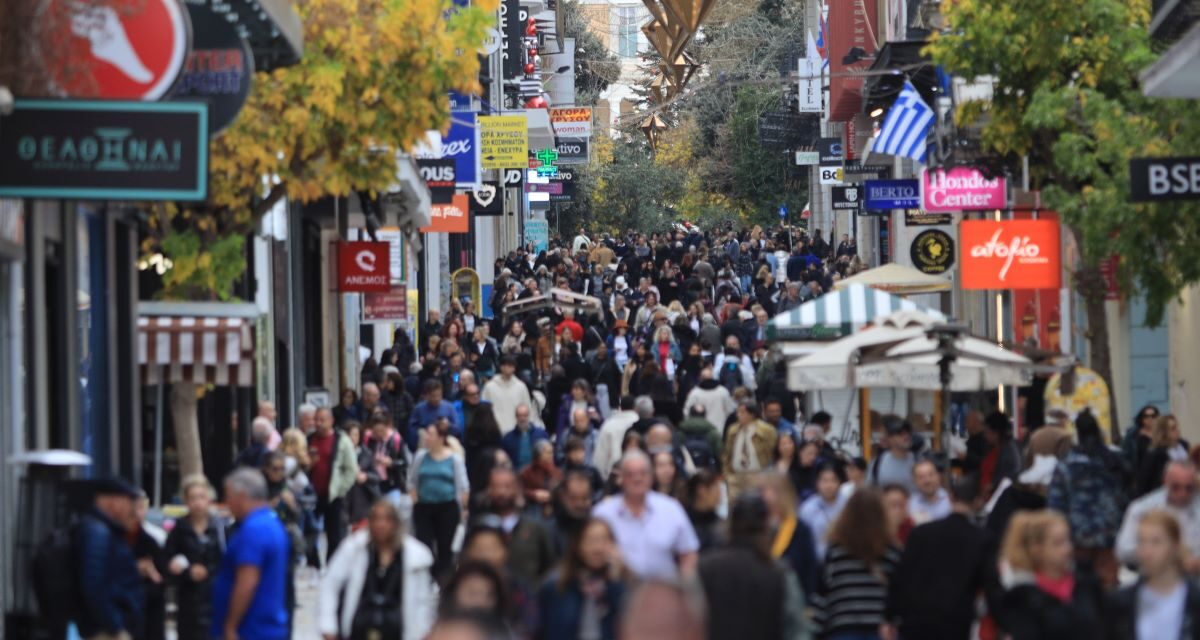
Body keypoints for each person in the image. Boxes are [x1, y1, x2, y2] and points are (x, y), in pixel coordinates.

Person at [885, 478, 993, 640]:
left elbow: (901, 577)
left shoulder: (921, 533)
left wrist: (890, 616)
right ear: (978, 501)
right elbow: (990, 585)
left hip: (916, 622)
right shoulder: (982, 539)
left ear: (950, 498)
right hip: (956, 623)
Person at [318, 499, 437, 640]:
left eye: (387, 520)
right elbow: (331, 584)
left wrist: (423, 631)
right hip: (359, 627)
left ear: (396, 523)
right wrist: (328, 626)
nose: (381, 525)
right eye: (376, 519)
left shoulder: (415, 556)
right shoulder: (354, 548)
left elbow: (423, 601)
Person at [699, 492, 810, 640]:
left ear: (730, 526)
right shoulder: (778, 573)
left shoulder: (706, 568)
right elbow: (797, 630)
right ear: (766, 526)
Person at [1047, 410, 1128, 589]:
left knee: (1081, 585)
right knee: (1108, 581)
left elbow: (1056, 504)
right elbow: (1126, 496)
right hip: (1110, 532)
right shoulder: (1114, 461)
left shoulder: (1067, 464)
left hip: (1078, 534)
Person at [996, 509, 1105, 640]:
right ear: (1037, 549)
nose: (1067, 549)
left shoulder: (1086, 582)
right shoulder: (1023, 596)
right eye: (1058, 543)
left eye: (1068, 540)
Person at [592, 451, 700, 580]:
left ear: (651, 476)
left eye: (643, 473)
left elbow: (688, 552)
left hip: (662, 592)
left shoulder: (671, 508)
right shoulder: (602, 513)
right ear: (621, 478)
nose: (637, 479)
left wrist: (682, 587)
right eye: (630, 474)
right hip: (616, 592)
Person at [811, 489, 901, 640]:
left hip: (842, 625)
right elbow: (898, 591)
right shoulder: (891, 550)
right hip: (880, 627)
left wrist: (816, 630)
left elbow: (823, 591)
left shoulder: (836, 550)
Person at [212, 468, 290, 640]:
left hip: (250, 629)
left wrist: (231, 626)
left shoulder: (253, 530)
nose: (226, 502)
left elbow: (247, 581)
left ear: (241, 495)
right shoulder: (272, 522)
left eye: (228, 495)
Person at [1105, 510, 1200, 639]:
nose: (1147, 552)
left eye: (1156, 542)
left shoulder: (1195, 601)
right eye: (1141, 542)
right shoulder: (1120, 602)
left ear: (1175, 546)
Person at [536, 518, 629, 640]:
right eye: (591, 541)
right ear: (578, 545)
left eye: (604, 540)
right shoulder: (556, 585)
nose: (598, 548)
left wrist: (616, 581)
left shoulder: (622, 585)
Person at [76, 477, 143, 640]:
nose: (131, 510)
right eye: (129, 502)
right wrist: (114, 626)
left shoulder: (103, 530)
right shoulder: (98, 532)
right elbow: (94, 584)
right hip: (105, 631)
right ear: (115, 502)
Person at [164, 475, 225, 640]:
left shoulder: (220, 527)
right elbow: (167, 561)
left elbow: (226, 560)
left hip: (215, 599)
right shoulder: (179, 529)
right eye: (192, 498)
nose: (198, 503)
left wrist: (209, 571)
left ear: (209, 498)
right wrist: (186, 571)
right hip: (188, 602)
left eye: (202, 497)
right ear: (185, 500)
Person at [409, 421, 470, 581]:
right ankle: (426, 577)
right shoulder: (420, 457)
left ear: (441, 437)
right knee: (424, 544)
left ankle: (444, 581)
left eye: (430, 434)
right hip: (424, 508)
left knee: (445, 546)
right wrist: (415, 500)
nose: (427, 438)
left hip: (447, 508)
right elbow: (412, 481)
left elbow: (463, 486)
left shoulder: (454, 459)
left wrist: (463, 508)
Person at [1116, 461, 1200, 569]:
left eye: (1189, 488)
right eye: (1175, 487)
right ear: (1165, 482)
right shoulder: (1143, 508)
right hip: (1155, 576)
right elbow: (1123, 550)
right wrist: (1158, 554)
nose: (1182, 493)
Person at [485, 466, 556, 586]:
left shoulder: (535, 529)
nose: (501, 492)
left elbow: (548, 567)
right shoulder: (481, 528)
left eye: (507, 487)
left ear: (517, 489)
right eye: (496, 487)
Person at [309, 406, 359, 561]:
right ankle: (314, 564)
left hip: (333, 494)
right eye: (316, 420)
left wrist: (340, 489)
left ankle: (332, 566)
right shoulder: (309, 439)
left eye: (321, 420)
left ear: (331, 421)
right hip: (311, 495)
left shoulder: (341, 440)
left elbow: (351, 469)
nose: (318, 423)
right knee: (310, 532)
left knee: (335, 535)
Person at [759, 471, 819, 599]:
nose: (768, 496)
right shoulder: (754, 528)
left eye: (773, 490)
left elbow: (810, 571)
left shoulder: (799, 530)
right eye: (762, 490)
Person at [722, 399, 778, 501]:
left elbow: (773, 451)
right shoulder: (733, 430)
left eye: (742, 412)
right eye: (738, 412)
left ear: (752, 414)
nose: (738, 415)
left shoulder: (767, 430)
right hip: (736, 477)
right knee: (734, 508)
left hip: (757, 475)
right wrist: (728, 475)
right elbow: (727, 454)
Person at [798, 462, 846, 561]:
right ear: (817, 482)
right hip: (817, 562)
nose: (829, 485)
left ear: (840, 482)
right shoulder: (807, 508)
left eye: (833, 480)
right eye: (824, 481)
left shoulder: (848, 505)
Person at [1137, 414, 1190, 498]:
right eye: (1173, 428)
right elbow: (1144, 483)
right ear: (1163, 432)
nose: (1178, 430)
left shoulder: (1184, 446)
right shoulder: (1155, 453)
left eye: (1177, 426)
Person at [592, 395, 641, 478]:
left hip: (612, 473)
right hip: (637, 473)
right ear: (635, 407)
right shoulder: (640, 423)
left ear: (620, 407)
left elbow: (601, 454)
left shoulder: (608, 425)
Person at [408, 380, 460, 451]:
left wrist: (448, 426)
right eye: (433, 396)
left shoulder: (449, 407)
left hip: (445, 446)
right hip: (426, 444)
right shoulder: (419, 409)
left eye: (439, 395)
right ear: (426, 396)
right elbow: (412, 431)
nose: (436, 398)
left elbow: (457, 429)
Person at [870, 417, 917, 493]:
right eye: (900, 433)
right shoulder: (877, 463)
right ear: (889, 438)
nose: (906, 436)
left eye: (907, 432)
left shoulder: (919, 461)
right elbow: (870, 493)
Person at [981, 411, 1023, 498]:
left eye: (987, 432)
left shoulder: (1009, 450)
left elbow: (1014, 473)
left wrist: (993, 485)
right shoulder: (991, 448)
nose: (984, 436)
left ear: (996, 433)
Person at [500, 403, 550, 472]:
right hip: (516, 476)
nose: (522, 418)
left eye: (525, 415)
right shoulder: (507, 439)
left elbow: (549, 457)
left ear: (529, 416)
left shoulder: (541, 435)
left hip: (537, 475)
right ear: (516, 417)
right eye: (520, 416)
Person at [519, 440, 561, 516]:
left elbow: (563, 491)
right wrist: (534, 494)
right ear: (538, 454)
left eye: (552, 452)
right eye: (548, 453)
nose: (551, 455)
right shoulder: (526, 472)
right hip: (532, 508)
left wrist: (552, 496)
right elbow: (519, 490)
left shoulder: (557, 472)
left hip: (553, 508)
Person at [678, 404, 722, 472]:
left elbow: (676, 451)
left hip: (686, 471)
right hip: (707, 473)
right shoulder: (713, 433)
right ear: (704, 415)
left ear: (690, 414)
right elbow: (719, 453)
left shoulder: (681, 432)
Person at [908, 460, 951, 526]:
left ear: (938, 476)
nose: (927, 480)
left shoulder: (952, 501)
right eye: (921, 477)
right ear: (914, 481)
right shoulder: (909, 506)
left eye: (931, 475)